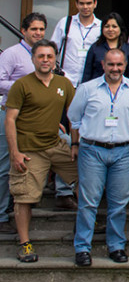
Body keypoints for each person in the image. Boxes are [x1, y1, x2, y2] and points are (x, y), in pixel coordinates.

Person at [68, 49, 129, 267]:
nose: (115, 69)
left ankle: (116, 245)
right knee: (88, 202)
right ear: (103, 64)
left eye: (119, 65)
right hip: (93, 150)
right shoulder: (87, 89)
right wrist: (77, 142)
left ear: (125, 65)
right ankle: (83, 248)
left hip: (123, 151)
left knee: (119, 202)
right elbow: (73, 117)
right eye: (111, 65)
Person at [6, 40, 78, 262]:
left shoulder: (64, 83)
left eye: (49, 56)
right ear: (33, 59)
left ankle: (87, 223)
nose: (45, 60)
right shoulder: (22, 85)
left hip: (55, 144)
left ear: (55, 58)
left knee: (87, 177)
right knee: (24, 197)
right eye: (41, 56)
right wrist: (15, 153)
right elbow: (10, 120)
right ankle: (25, 244)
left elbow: (72, 116)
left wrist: (74, 143)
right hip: (29, 149)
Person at [0, 13, 46, 234]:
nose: (38, 33)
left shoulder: (43, 55)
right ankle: (1, 215)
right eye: (34, 29)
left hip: (34, 116)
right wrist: (23, 85)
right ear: (24, 30)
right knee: (5, 165)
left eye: (41, 29)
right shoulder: (12, 54)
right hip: (9, 114)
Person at [50, 0, 102, 86]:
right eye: (81, 3)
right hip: (65, 80)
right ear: (76, 4)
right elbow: (52, 49)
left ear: (95, 3)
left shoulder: (101, 27)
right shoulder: (65, 23)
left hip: (91, 82)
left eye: (89, 3)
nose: (85, 7)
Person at [82, 12, 129, 82]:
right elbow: (87, 74)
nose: (110, 29)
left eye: (114, 26)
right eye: (107, 26)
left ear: (121, 28)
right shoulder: (95, 48)